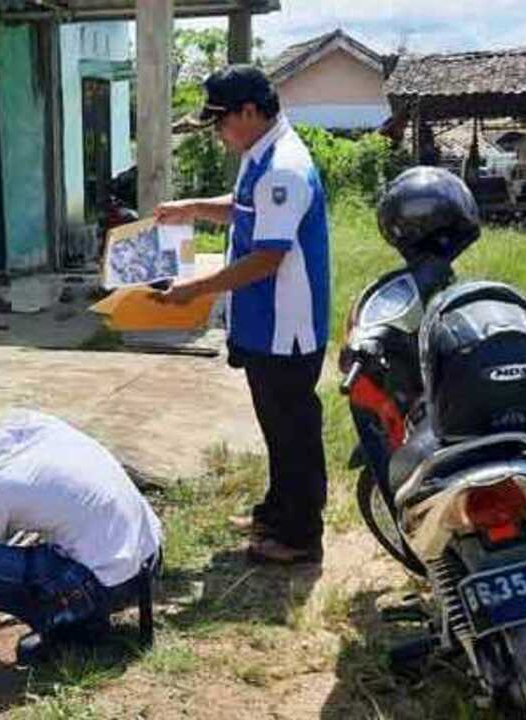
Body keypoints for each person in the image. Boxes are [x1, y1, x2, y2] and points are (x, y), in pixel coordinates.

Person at [154, 65, 330, 565]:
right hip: (262, 323)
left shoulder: (283, 169)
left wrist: (195, 290)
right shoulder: (261, 154)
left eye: (221, 121)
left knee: (293, 432)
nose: (218, 133)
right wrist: (193, 207)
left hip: (285, 327)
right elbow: (243, 208)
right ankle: (276, 512)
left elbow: (267, 257)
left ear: (250, 112)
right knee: (277, 428)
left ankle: (300, 536)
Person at [0, 411, 163, 663]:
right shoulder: (30, 424)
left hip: (113, 585)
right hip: (148, 556)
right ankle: (79, 610)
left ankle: (71, 628)